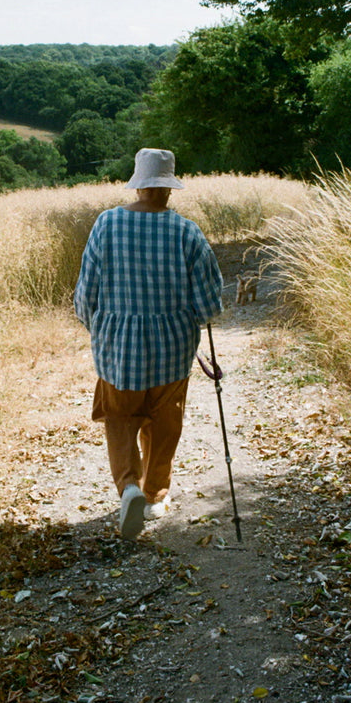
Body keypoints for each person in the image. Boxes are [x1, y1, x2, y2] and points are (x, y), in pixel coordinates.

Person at [74, 148, 223, 540]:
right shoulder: (187, 232)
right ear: (169, 188)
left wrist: (102, 331)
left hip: (118, 348)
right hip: (172, 349)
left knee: (120, 419)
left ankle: (128, 488)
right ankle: (155, 496)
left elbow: (85, 295)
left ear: (137, 184)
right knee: (163, 422)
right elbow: (209, 305)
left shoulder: (106, 224)